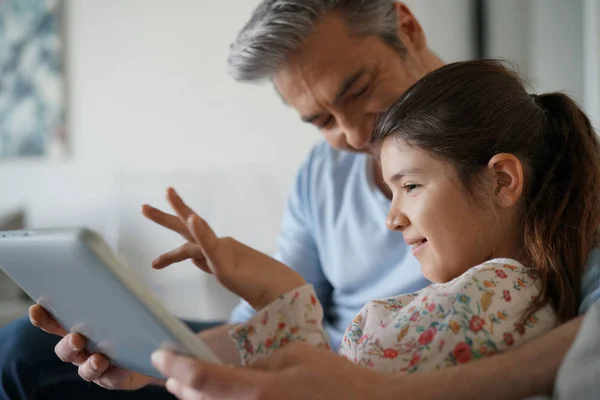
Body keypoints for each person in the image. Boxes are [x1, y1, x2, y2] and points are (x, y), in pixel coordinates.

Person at [1, 1, 598, 398]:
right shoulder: (323, 172)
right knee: (28, 349)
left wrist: (370, 392)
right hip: (301, 353)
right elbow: (276, 316)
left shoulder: (542, 153)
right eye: (320, 120)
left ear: (407, 27)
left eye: (359, 89)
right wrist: (153, 362)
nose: (355, 136)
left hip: (357, 372)